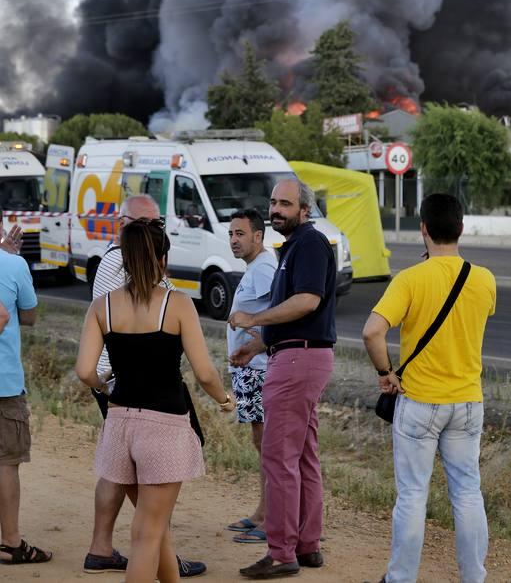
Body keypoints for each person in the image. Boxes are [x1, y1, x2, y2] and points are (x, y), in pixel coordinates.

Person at [76, 218, 236, 583]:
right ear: (163, 259)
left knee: (156, 525)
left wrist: (104, 385)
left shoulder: (102, 307)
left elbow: (85, 370)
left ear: (125, 260)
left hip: (119, 426)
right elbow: (206, 373)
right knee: (147, 533)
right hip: (163, 428)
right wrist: (225, 401)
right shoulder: (177, 304)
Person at [362, 193, 496, 583]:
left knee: (413, 495)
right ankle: (474, 576)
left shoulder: (409, 279)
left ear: (423, 229)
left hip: (419, 403)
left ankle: (401, 577)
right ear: (461, 228)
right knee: (468, 492)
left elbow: (372, 331)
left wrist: (385, 373)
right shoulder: (484, 279)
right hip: (468, 402)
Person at [229, 179, 336, 580]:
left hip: (297, 363)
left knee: (279, 458)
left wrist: (254, 319)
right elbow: (299, 312)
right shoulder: (293, 247)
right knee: (303, 455)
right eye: (273, 202)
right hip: (298, 356)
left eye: (285, 204)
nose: (276, 209)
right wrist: (258, 344)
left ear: (305, 211)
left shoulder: (309, 244)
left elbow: (308, 301)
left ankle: (281, 552)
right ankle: (307, 546)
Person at [0, 209, 52, 567]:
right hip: (4, 382)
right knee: (6, 462)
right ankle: (10, 541)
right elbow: (30, 316)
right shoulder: (13, 264)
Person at [226, 210, 277, 544]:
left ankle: (273, 516)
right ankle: (263, 510)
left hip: (259, 368)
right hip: (248, 369)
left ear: (258, 235)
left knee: (269, 444)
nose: (234, 240)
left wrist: (256, 338)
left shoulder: (265, 268)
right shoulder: (254, 269)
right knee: (260, 442)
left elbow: (281, 311)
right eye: (231, 234)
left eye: (241, 234)